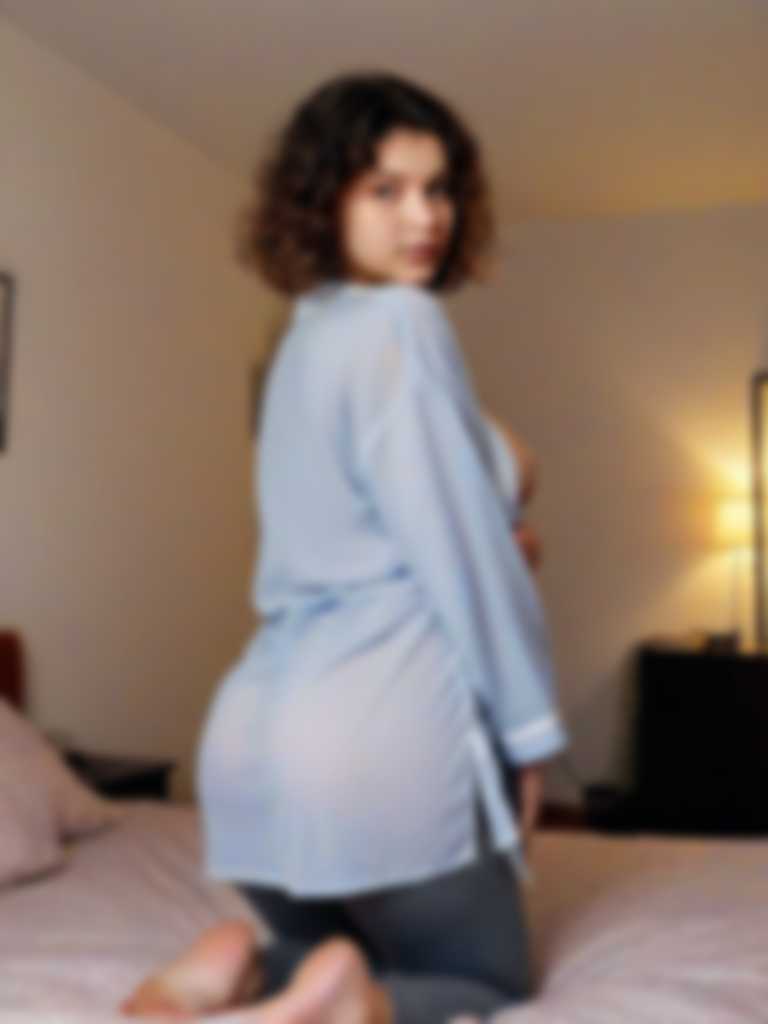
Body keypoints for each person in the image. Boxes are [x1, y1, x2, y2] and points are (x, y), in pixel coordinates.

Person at [120, 71, 568, 1024]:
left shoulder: (305, 340)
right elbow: (468, 559)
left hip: (252, 742)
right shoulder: (405, 323)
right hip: (374, 732)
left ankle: (240, 965)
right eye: (386, 190)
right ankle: (343, 998)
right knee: (491, 985)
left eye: (438, 189)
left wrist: (504, 474)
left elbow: (446, 481)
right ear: (325, 199)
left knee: (344, 948)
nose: (425, 216)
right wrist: (529, 732)